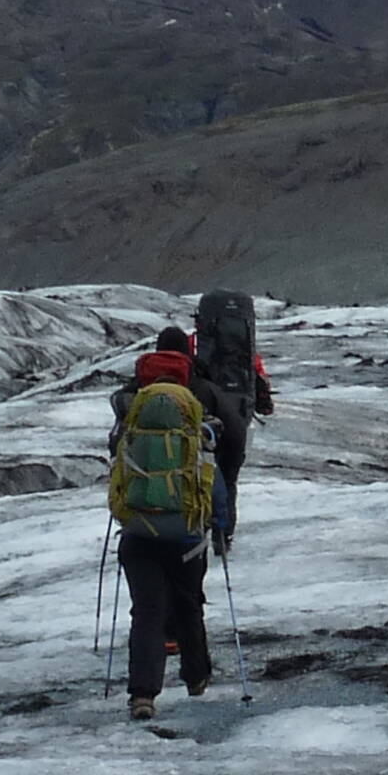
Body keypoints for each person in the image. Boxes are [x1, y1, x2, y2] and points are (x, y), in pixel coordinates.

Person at [109, 327, 214, 719]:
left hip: (138, 533)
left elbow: (117, 471)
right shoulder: (196, 429)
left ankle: (143, 695)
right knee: (188, 605)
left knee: (147, 612)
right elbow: (212, 484)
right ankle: (197, 677)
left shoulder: (130, 416)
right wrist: (217, 523)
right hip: (186, 533)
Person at [190, 289, 275, 557]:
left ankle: (200, 527)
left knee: (199, 472)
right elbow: (261, 383)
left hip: (206, 413)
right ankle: (224, 534)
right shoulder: (248, 353)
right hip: (239, 411)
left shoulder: (196, 345)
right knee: (229, 476)